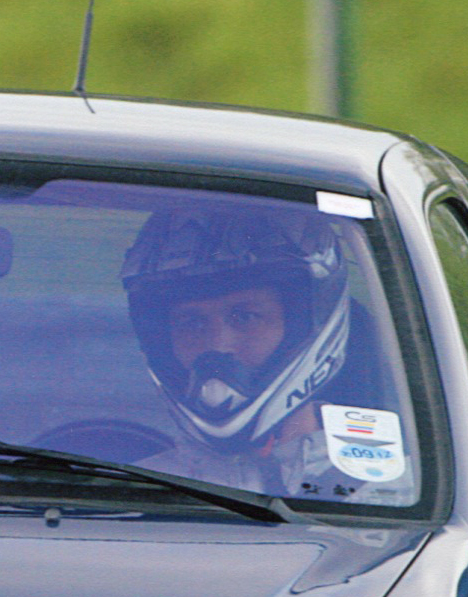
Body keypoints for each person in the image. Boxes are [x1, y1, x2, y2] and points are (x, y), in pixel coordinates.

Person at [118, 199, 413, 503]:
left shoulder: (394, 495)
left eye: (245, 317)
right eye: (192, 323)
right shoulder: (126, 495)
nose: (217, 345)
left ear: (302, 328)